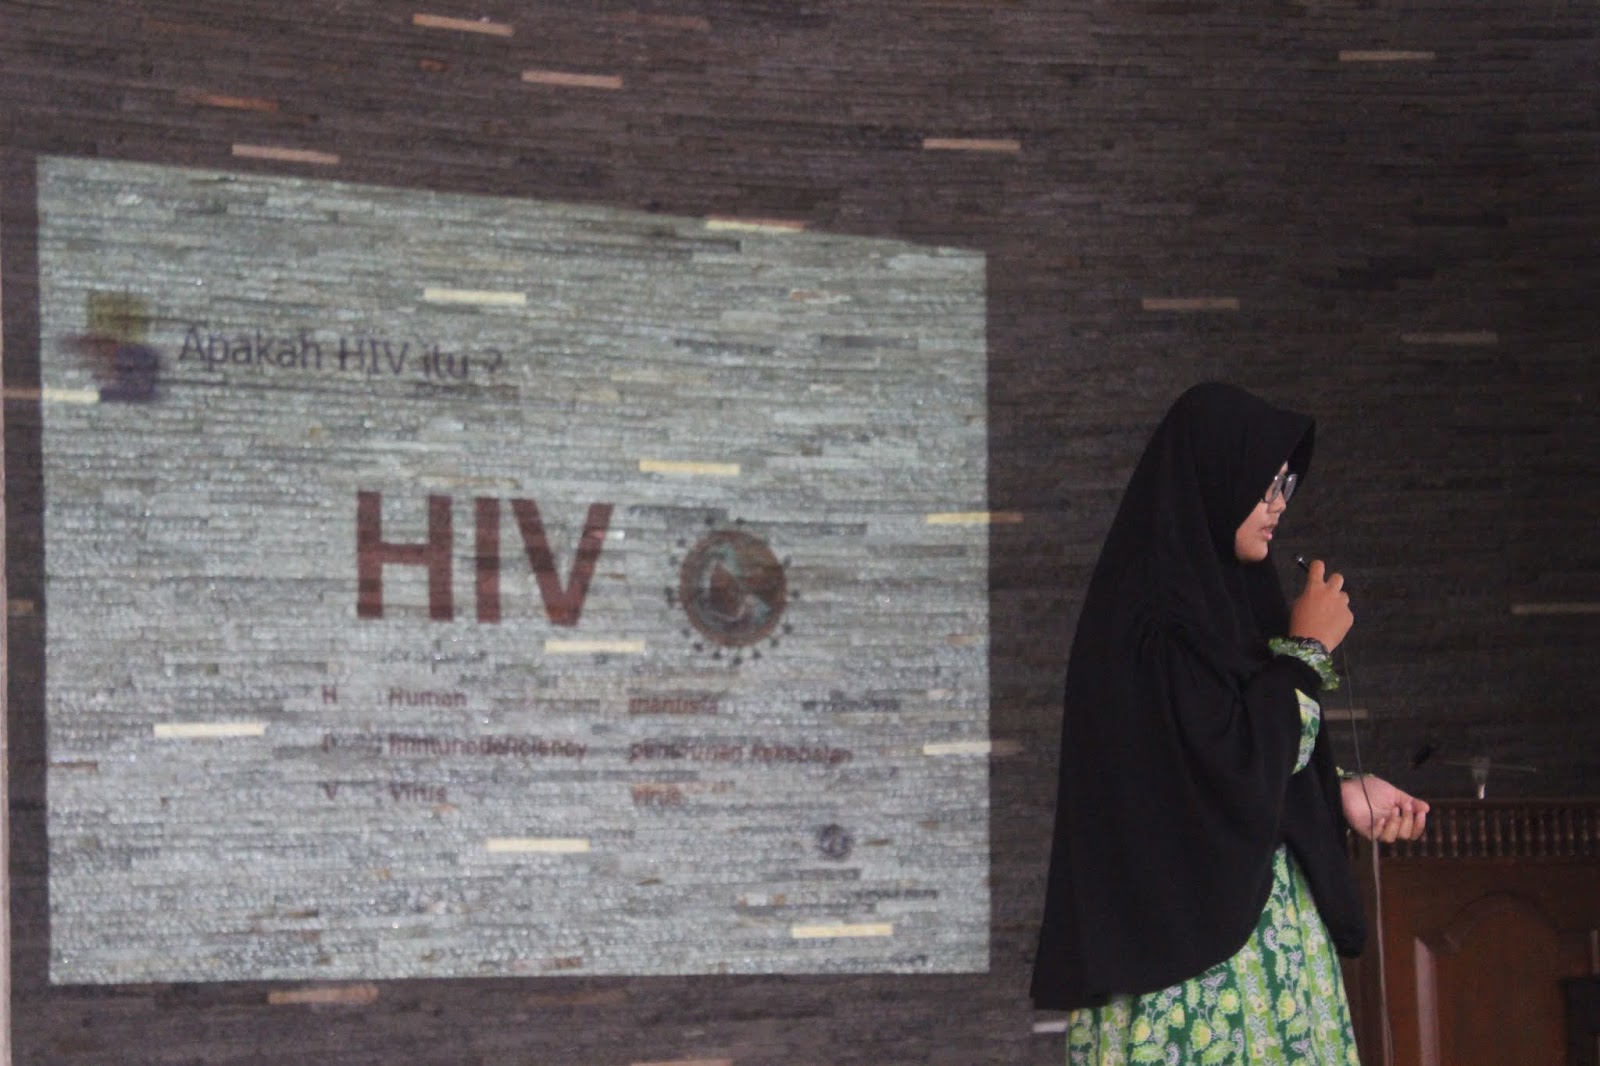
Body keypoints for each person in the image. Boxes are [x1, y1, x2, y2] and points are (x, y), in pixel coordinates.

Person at [1030, 383, 1428, 1064]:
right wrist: (1306, 654)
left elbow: (1231, 751)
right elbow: (1209, 767)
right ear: (1214, 478)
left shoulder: (1235, 604)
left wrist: (1337, 789)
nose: (1278, 504)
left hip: (1274, 957)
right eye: (1265, 484)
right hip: (1187, 972)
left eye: (1286, 485)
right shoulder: (1150, 620)